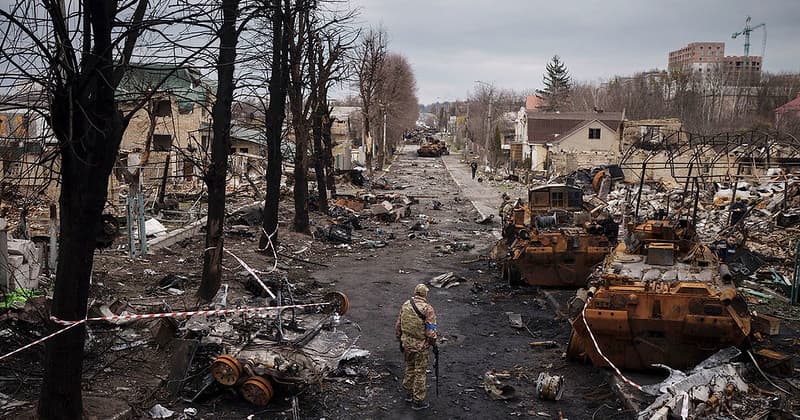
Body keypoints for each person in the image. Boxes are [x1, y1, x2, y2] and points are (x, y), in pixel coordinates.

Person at [395, 284, 437, 410]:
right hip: (421, 346)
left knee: (409, 367)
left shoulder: (406, 304)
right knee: (420, 372)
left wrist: (400, 339)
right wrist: (433, 343)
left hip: (407, 344)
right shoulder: (427, 309)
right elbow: (431, 332)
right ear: (425, 294)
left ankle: (408, 393)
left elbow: (398, 324)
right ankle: (418, 401)